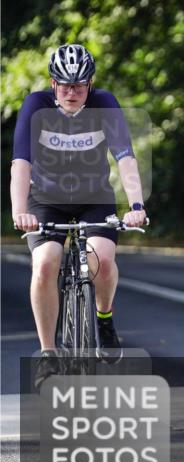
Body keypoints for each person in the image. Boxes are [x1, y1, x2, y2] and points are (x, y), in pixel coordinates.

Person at [10, 43, 147, 382]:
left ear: (90, 84)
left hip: (94, 196)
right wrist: (19, 210)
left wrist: (136, 205)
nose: (72, 92)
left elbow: (125, 157)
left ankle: (104, 319)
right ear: (53, 84)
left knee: (101, 258)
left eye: (80, 85)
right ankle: (48, 353)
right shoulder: (36, 106)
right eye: (65, 85)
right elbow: (21, 162)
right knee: (45, 262)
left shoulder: (104, 103)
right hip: (45, 198)